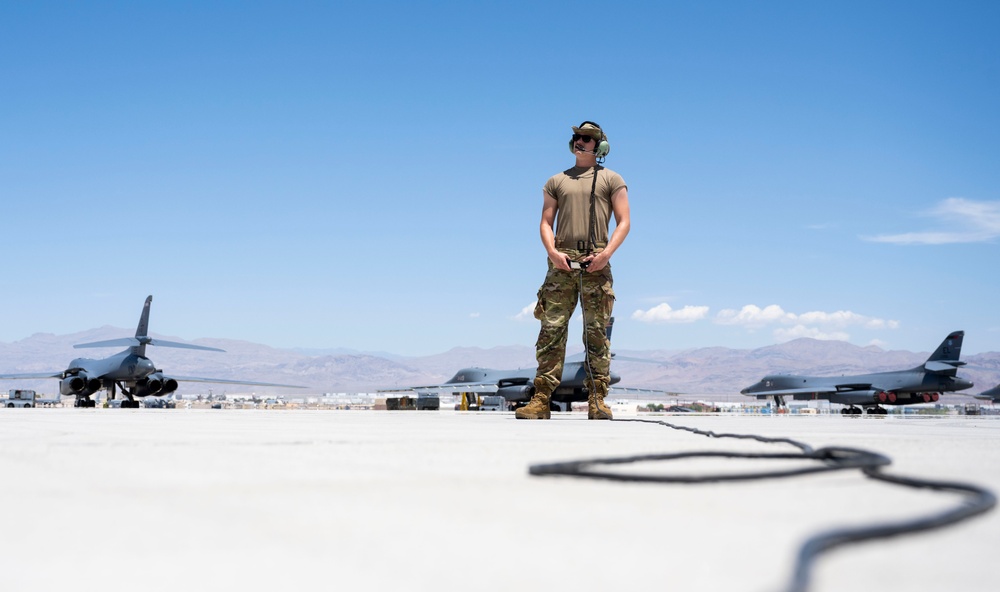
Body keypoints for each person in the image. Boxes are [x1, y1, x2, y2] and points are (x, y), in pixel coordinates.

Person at [516, 121, 631, 420]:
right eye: (577, 136)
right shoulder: (556, 181)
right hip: (561, 263)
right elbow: (545, 222)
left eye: (587, 138)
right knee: (551, 331)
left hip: (597, 263)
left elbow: (624, 221)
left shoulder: (612, 179)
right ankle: (541, 399)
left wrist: (606, 254)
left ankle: (597, 400)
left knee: (596, 334)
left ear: (600, 146)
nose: (580, 141)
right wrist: (552, 252)